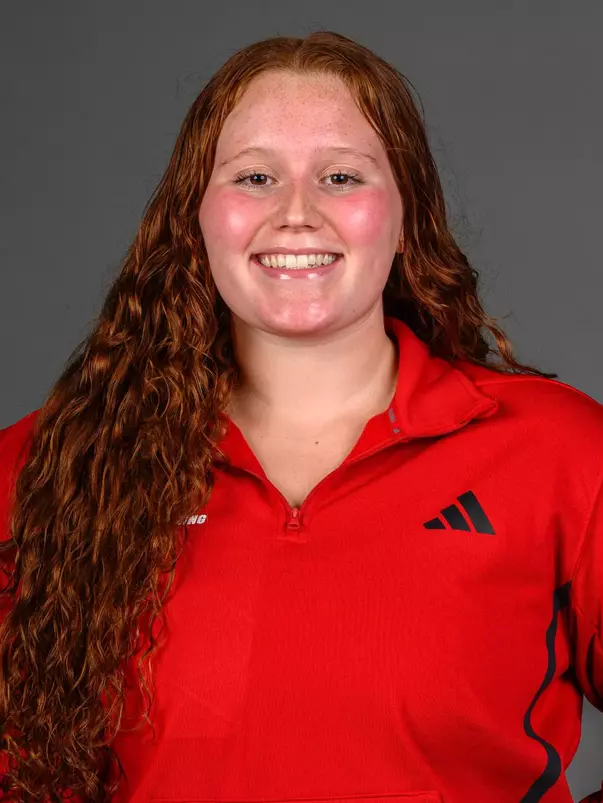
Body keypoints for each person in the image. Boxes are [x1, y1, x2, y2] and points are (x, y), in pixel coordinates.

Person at [0, 29, 602, 803]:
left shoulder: (559, 452)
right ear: (196, 212)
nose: (295, 213)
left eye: (341, 175)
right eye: (253, 175)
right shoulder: (50, 464)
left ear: (404, 211)